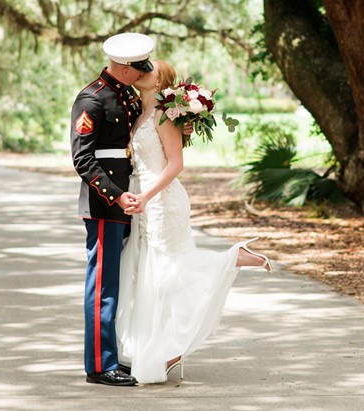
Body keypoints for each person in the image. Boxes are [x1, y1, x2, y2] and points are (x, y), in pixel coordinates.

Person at [116, 59, 272, 384]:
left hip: (162, 201)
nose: (143, 69)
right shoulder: (138, 112)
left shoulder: (163, 114)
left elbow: (175, 165)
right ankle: (165, 352)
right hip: (143, 200)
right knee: (153, 274)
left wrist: (146, 197)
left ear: (162, 82)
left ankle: (233, 257)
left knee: (168, 272)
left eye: (152, 69)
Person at [70, 32, 155, 387]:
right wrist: (117, 195)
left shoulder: (127, 95)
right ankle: (100, 366)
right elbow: (83, 158)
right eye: (138, 70)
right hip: (105, 203)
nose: (142, 74)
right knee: (102, 286)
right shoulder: (91, 99)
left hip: (127, 198)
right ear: (123, 69)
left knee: (116, 283)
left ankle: (110, 355)